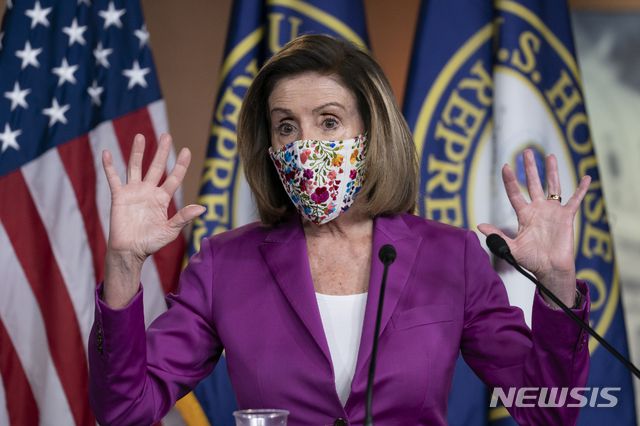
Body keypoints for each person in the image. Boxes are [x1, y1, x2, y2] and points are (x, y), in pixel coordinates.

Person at [89, 34, 591, 426]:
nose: (305, 144)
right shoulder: (226, 264)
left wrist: (556, 283)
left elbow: (548, 411)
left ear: (371, 135)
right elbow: (124, 409)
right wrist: (123, 265)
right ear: (270, 145)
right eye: (286, 126)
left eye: (328, 122)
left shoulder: (450, 256)